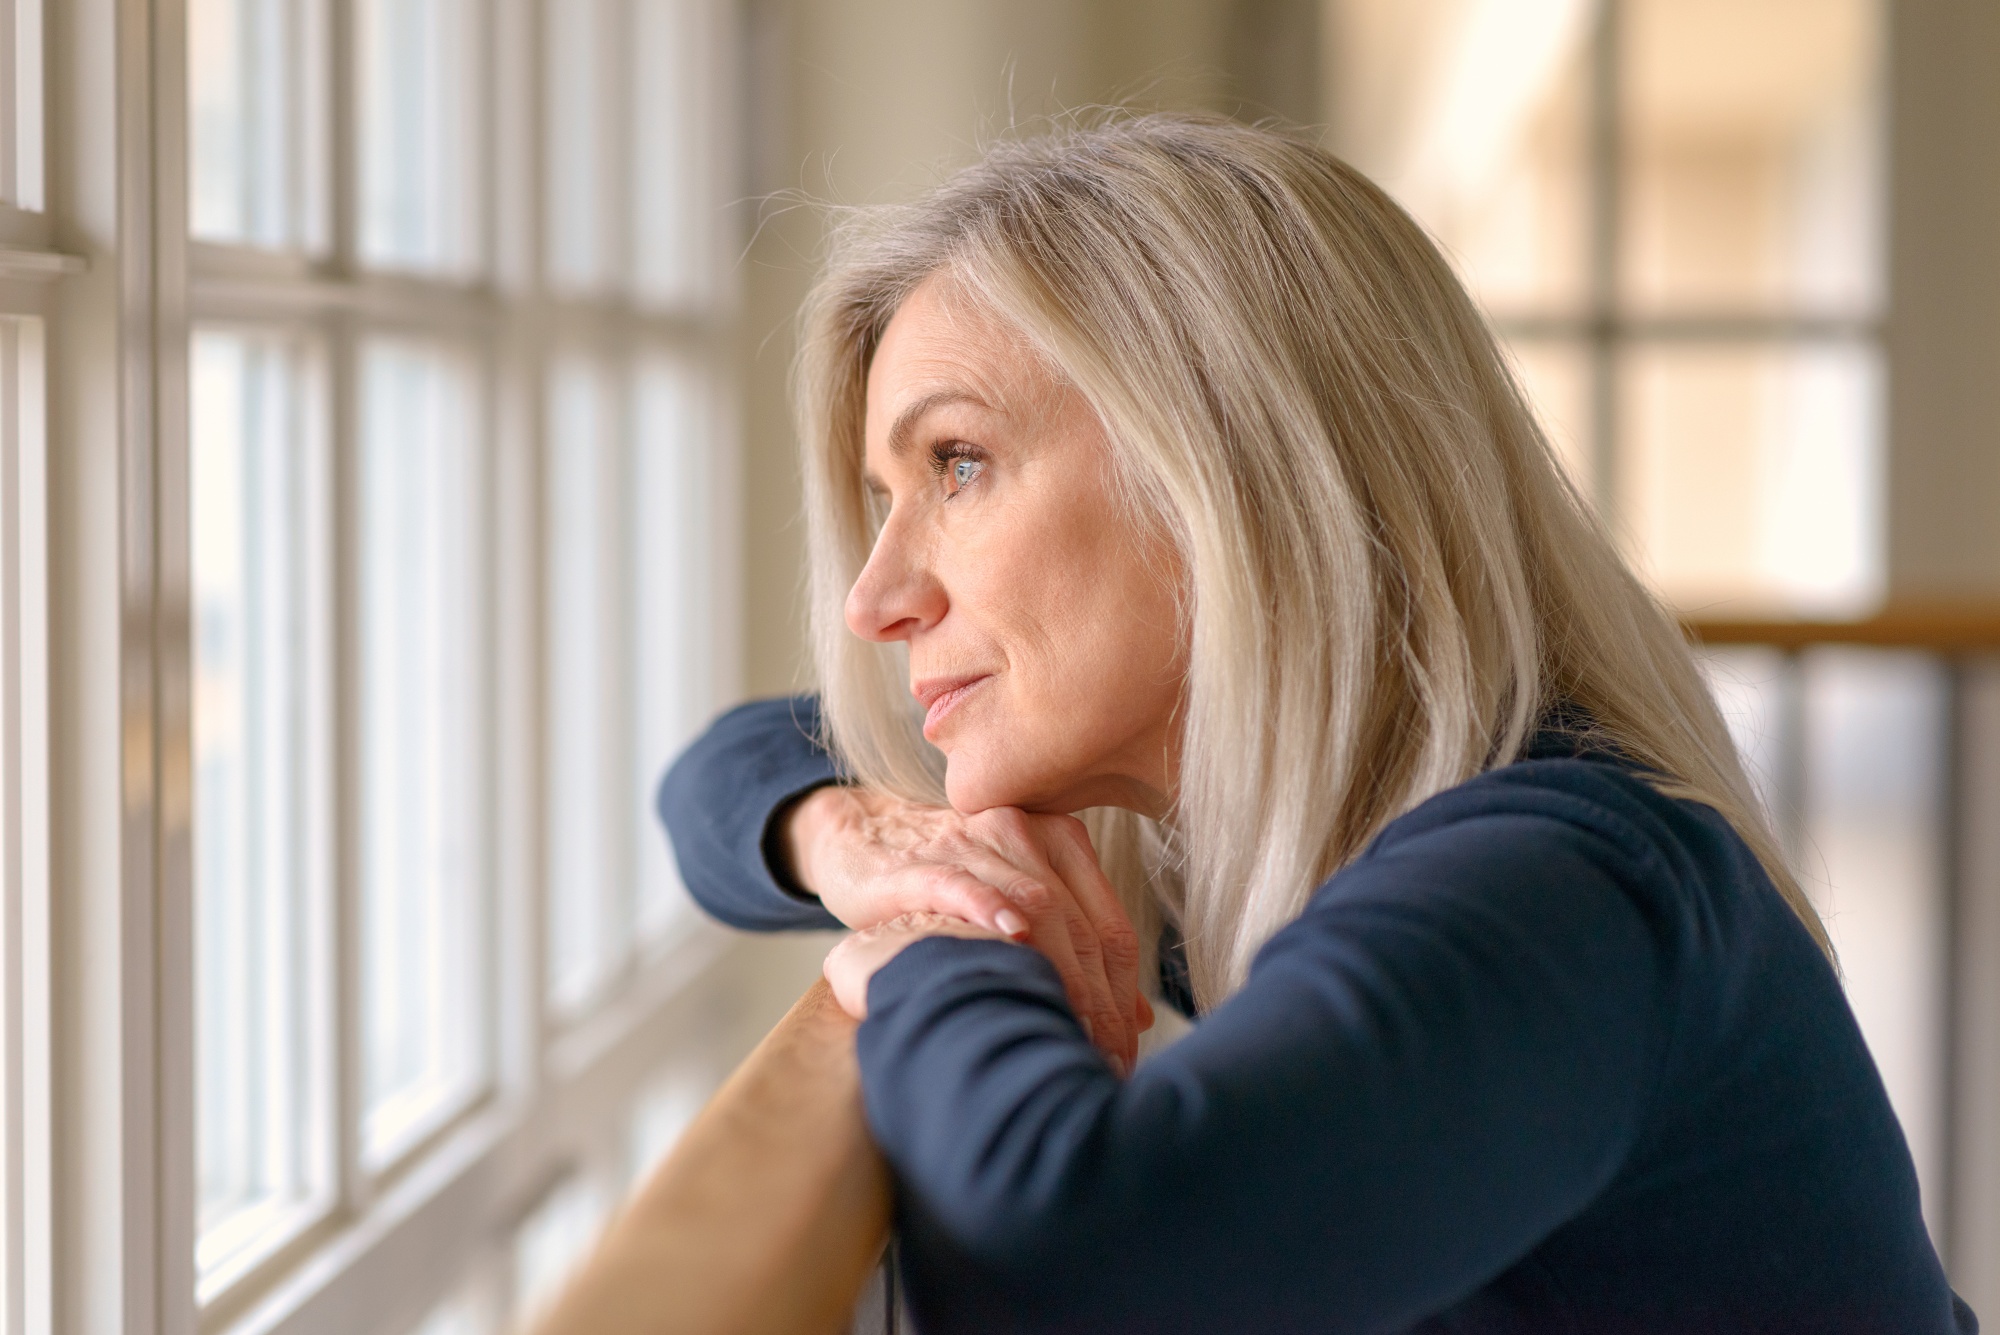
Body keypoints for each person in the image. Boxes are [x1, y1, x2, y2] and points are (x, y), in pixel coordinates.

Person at [657, 115, 1976, 1333]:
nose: (877, 599)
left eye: (956, 464)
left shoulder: (1557, 884)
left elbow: (1078, 1254)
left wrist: (944, 943)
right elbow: (719, 778)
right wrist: (852, 838)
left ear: (1227, 461)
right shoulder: (1320, 828)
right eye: (886, 498)